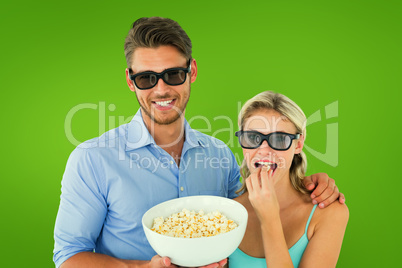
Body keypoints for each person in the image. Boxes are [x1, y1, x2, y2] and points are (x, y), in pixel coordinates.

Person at [53, 17, 344, 268]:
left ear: (191, 71)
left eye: (173, 74)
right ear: (130, 81)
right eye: (146, 79)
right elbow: (68, 257)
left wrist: (308, 182)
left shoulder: (220, 156)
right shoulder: (92, 158)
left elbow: (244, 219)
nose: (161, 89)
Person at [228, 91, 349, 267]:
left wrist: (269, 219)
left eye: (279, 139)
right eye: (253, 137)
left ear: (298, 144)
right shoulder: (226, 214)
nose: (264, 150)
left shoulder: (329, 211)